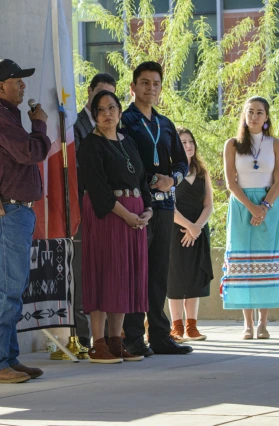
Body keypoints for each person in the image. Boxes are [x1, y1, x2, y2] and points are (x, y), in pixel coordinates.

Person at [120, 61, 191, 356]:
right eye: (145, 83)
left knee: (159, 272)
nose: (151, 88)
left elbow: (182, 163)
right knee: (138, 272)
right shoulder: (124, 120)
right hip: (138, 207)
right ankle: (133, 337)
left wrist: (170, 179)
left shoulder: (165, 124)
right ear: (133, 87)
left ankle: (161, 336)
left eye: (156, 84)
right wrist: (151, 180)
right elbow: (122, 160)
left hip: (165, 207)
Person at [79, 90, 152, 363]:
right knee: (104, 273)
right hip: (108, 215)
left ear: (120, 112)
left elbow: (142, 181)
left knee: (123, 277)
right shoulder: (90, 145)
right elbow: (98, 190)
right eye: (101, 110)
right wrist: (127, 215)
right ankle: (98, 343)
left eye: (112, 108)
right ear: (94, 115)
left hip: (134, 216)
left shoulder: (128, 141)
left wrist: (148, 211)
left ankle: (115, 340)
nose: (107, 114)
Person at [221, 96, 279, 339]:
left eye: (259, 112)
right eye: (250, 111)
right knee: (245, 265)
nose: (254, 116)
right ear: (244, 115)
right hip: (242, 205)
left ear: (266, 117)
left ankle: (263, 323)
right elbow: (231, 182)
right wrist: (252, 207)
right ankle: (247, 325)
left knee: (267, 263)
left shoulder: (276, 144)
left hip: (268, 207)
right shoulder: (232, 144)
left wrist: (264, 207)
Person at [0, 59, 50, 382]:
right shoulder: (3, 119)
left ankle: (10, 357)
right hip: (11, 212)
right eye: (17, 80)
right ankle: (2, 361)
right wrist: (41, 125)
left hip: (19, 211)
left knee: (12, 289)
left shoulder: (9, 117)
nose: (23, 85)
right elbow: (31, 152)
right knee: (8, 290)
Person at [73, 72, 117, 349]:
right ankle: (82, 338)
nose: (103, 103)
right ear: (89, 92)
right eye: (99, 95)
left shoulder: (115, 130)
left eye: (109, 98)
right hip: (83, 208)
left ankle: (113, 337)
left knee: (108, 274)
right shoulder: (73, 125)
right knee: (82, 274)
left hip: (113, 211)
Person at [167, 128, 213, 342]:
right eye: (183, 142)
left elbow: (209, 205)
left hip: (198, 231)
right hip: (176, 231)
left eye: (190, 141)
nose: (188, 145)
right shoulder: (170, 173)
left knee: (194, 278)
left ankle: (192, 326)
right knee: (175, 279)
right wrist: (189, 227)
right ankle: (176, 327)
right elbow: (170, 207)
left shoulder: (203, 172)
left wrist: (198, 228)